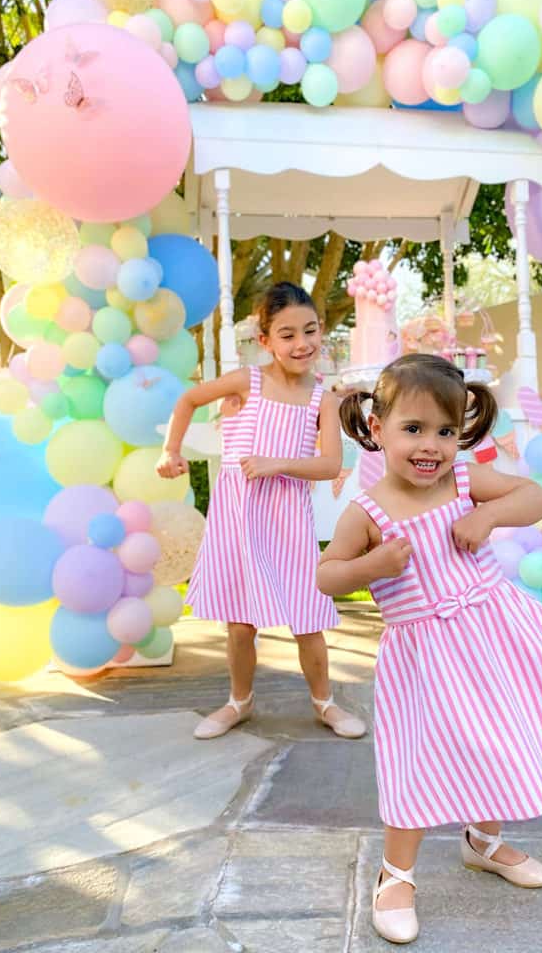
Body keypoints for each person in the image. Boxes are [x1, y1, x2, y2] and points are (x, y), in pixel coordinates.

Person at [317, 354, 542, 945]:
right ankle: (397, 873)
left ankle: (483, 841)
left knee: (496, 740)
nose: (431, 446)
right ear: (376, 427)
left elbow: (535, 498)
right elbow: (326, 577)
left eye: (444, 431)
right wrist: (371, 563)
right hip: (425, 658)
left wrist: (488, 516)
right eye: (413, 429)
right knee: (417, 762)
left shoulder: (463, 481)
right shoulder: (366, 511)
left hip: (494, 636)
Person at [157, 282, 366, 742]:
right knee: (240, 621)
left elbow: (330, 463)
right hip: (239, 517)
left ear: (322, 330)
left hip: (288, 518)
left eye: (309, 331)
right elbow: (189, 399)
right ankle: (239, 701)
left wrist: (278, 463)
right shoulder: (247, 382)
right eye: (287, 334)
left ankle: (324, 702)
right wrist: (170, 450)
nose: (301, 343)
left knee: (308, 616)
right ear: (266, 341)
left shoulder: (322, 400)